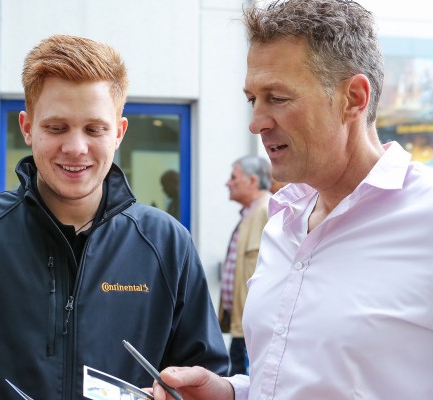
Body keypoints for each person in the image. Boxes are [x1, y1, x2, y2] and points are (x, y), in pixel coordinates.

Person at [0, 34, 229, 399]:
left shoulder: (166, 242)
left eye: (94, 129)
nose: (75, 147)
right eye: (56, 127)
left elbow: (206, 379)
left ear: (118, 132)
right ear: (27, 127)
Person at [152, 0, 433, 399]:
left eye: (277, 98)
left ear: (353, 98)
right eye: (253, 99)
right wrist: (229, 393)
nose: (257, 122)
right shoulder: (283, 221)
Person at [217, 155, 271, 375]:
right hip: (242, 328)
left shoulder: (269, 211)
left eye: (233, 177)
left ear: (253, 181)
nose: (228, 183)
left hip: (255, 330)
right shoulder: (251, 213)